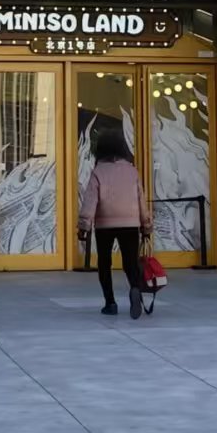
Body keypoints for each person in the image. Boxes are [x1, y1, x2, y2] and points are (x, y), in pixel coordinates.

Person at [78, 128, 152, 319]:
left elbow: (90, 201)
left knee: (104, 263)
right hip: (130, 223)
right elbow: (141, 200)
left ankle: (110, 303)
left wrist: (84, 226)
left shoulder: (98, 172)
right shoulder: (132, 171)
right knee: (130, 262)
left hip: (104, 225)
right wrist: (146, 226)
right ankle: (135, 288)